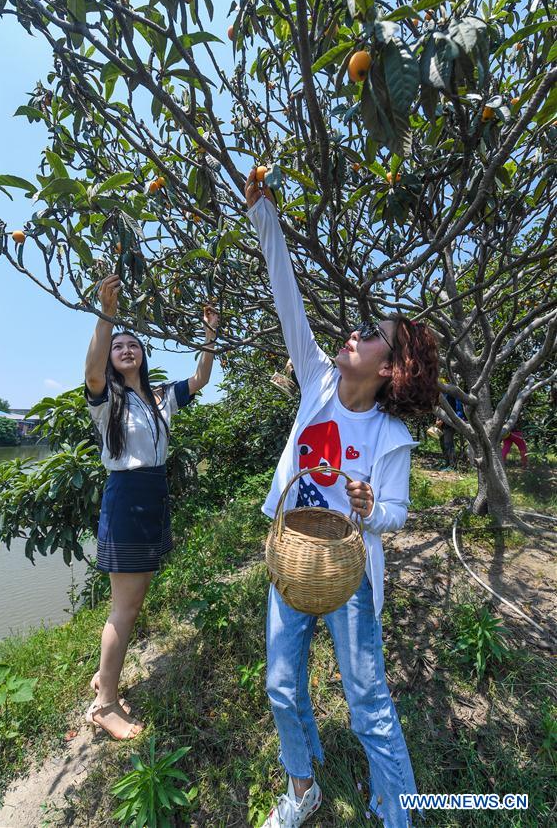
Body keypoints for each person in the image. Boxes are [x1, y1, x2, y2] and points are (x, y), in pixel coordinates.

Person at [245, 169, 439, 827]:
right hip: (292, 556)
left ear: (390, 368)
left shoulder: (391, 436)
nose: (353, 333)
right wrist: (264, 216)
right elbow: (287, 300)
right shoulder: (318, 383)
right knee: (279, 682)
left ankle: (397, 813)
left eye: (371, 334)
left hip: (351, 573)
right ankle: (302, 789)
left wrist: (364, 506)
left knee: (367, 701)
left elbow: (394, 515)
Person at [84, 274, 218, 739]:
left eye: (131, 343)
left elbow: (200, 377)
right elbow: (92, 373)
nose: (124, 348)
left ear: (142, 353)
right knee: (125, 607)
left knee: (131, 602)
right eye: (116, 344)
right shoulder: (107, 401)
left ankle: (106, 676)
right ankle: (104, 705)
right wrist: (106, 313)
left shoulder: (159, 398)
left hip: (153, 498)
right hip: (126, 500)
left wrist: (210, 334)